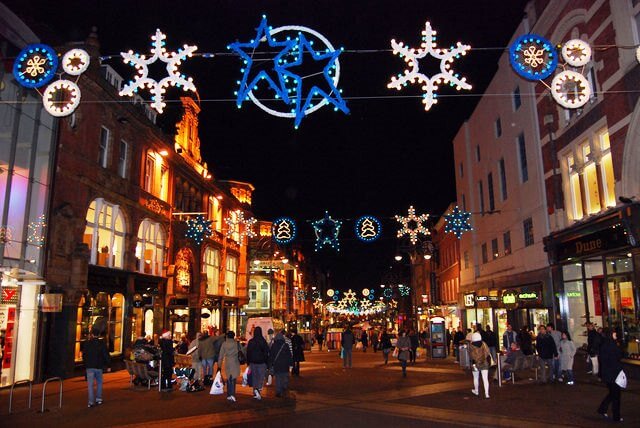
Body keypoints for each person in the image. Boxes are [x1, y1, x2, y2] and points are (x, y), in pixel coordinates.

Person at [597, 328, 624, 422]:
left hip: (608, 374)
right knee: (616, 396)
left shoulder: (605, 345)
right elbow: (618, 357)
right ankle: (616, 416)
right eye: (614, 333)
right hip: (613, 374)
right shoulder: (612, 345)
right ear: (610, 334)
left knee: (613, 394)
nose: (616, 334)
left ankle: (602, 409)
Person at [82, 328, 110, 407]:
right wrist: (108, 365)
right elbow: (106, 355)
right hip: (99, 366)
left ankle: (90, 402)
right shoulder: (101, 344)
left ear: (92, 334)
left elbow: (84, 355)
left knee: (90, 385)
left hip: (90, 366)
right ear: (99, 335)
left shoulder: (87, 343)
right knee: (99, 383)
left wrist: (86, 364)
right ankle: (98, 399)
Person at [246, 326, 269, 400]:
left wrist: (248, 362)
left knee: (254, 377)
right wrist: (266, 362)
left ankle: (255, 392)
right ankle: (258, 390)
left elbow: (248, 353)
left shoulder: (251, 341)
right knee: (261, 377)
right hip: (261, 363)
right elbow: (266, 352)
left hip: (253, 362)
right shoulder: (263, 341)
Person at [269, 330, 294, 398]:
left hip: (277, 365)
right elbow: (289, 355)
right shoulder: (285, 345)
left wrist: (270, 364)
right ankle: (284, 386)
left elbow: (271, 355)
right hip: (285, 365)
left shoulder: (274, 345)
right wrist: (291, 364)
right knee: (285, 376)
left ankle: (278, 391)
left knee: (278, 378)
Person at [218, 331, 241, 402]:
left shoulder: (224, 344)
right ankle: (232, 394)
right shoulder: (236, 344)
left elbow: (221, 355)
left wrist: (219, 365)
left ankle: (229, 394)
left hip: (228, 362)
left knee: (229, 379)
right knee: (233, 379)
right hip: (235, 362)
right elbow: (242, 351)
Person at [468, 332, 491, 399]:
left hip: (475, 363)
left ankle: (476, 391)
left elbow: (470, 355)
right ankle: (487, 393)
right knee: (485, 379)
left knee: (476, 378)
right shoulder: (483, 344)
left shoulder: (471, 345)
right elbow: (487, 352)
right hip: (484, 362)